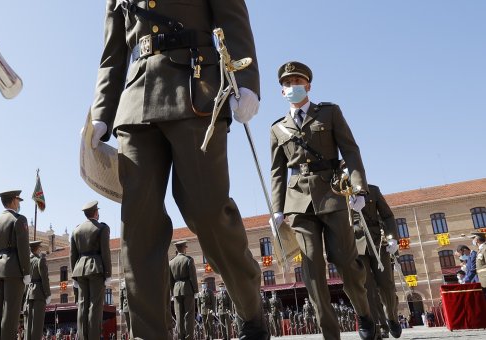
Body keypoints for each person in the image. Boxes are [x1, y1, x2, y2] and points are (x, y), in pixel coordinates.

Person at [88, 1, 266, 338]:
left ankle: (250, 306)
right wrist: (101, 113)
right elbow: (112, 54)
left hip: (195, 88)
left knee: (207, 211)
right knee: (139, 225)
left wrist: (246, 81)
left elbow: (232, 17)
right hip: (136, 101)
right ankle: (149, 333)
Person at [269, 61, 375, 340]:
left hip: (332, 194)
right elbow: (277, 172)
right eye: (287, 83)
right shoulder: (278, 128)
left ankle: (363, 312)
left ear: (308, 86)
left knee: (346, 262)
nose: (292, 87)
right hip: (297, 204)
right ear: (281, 91)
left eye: (297, 81)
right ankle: (330, 334)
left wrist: (359, 189)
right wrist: (277, 209)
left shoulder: (329, 112)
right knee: (311, 267)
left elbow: (350, 152)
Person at [355, 183, 402, 338]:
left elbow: (387, 215)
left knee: (386, 285)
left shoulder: (372, 190)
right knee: (367, 288)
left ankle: (391, 317)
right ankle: (375, 327)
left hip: (377, 242)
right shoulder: (337, 193)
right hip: (355, 245)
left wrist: (393, 238)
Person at [0, 190, 31, 340]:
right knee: (10, 311)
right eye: (18, 201)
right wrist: (26, 271)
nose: (19, 204)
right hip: (14, 268)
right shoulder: (19, 219)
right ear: (13, 201)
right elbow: (24, 248)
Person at [70, 200, 112, 340]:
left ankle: (83, 337)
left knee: (82, 305)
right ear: (96, 212)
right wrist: (108, 274)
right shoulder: (101, 228)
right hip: (96, 269)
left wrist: (74, 276)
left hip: (80, 270)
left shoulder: (76, 230)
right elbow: (105, 252)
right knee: (95, 306)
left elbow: (73, 255)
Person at [169, 240, 198, 340]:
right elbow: (193, 277)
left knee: (179, 315)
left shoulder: (171, 262)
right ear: (184, 248)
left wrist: (173, 292)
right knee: (189, 315)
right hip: (187, 289)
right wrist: (196, 290)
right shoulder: (188, 259)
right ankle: (189, 337)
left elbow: (170, 280)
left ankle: (181, 337)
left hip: (176, 291)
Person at [24, 241, 51, 340]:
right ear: (38, 249)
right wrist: (48, 294)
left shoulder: (26, 261)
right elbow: (44, 278)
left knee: (28, 324)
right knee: (37, 325)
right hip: (39, 293)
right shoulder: (40, 260)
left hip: (28, 293)